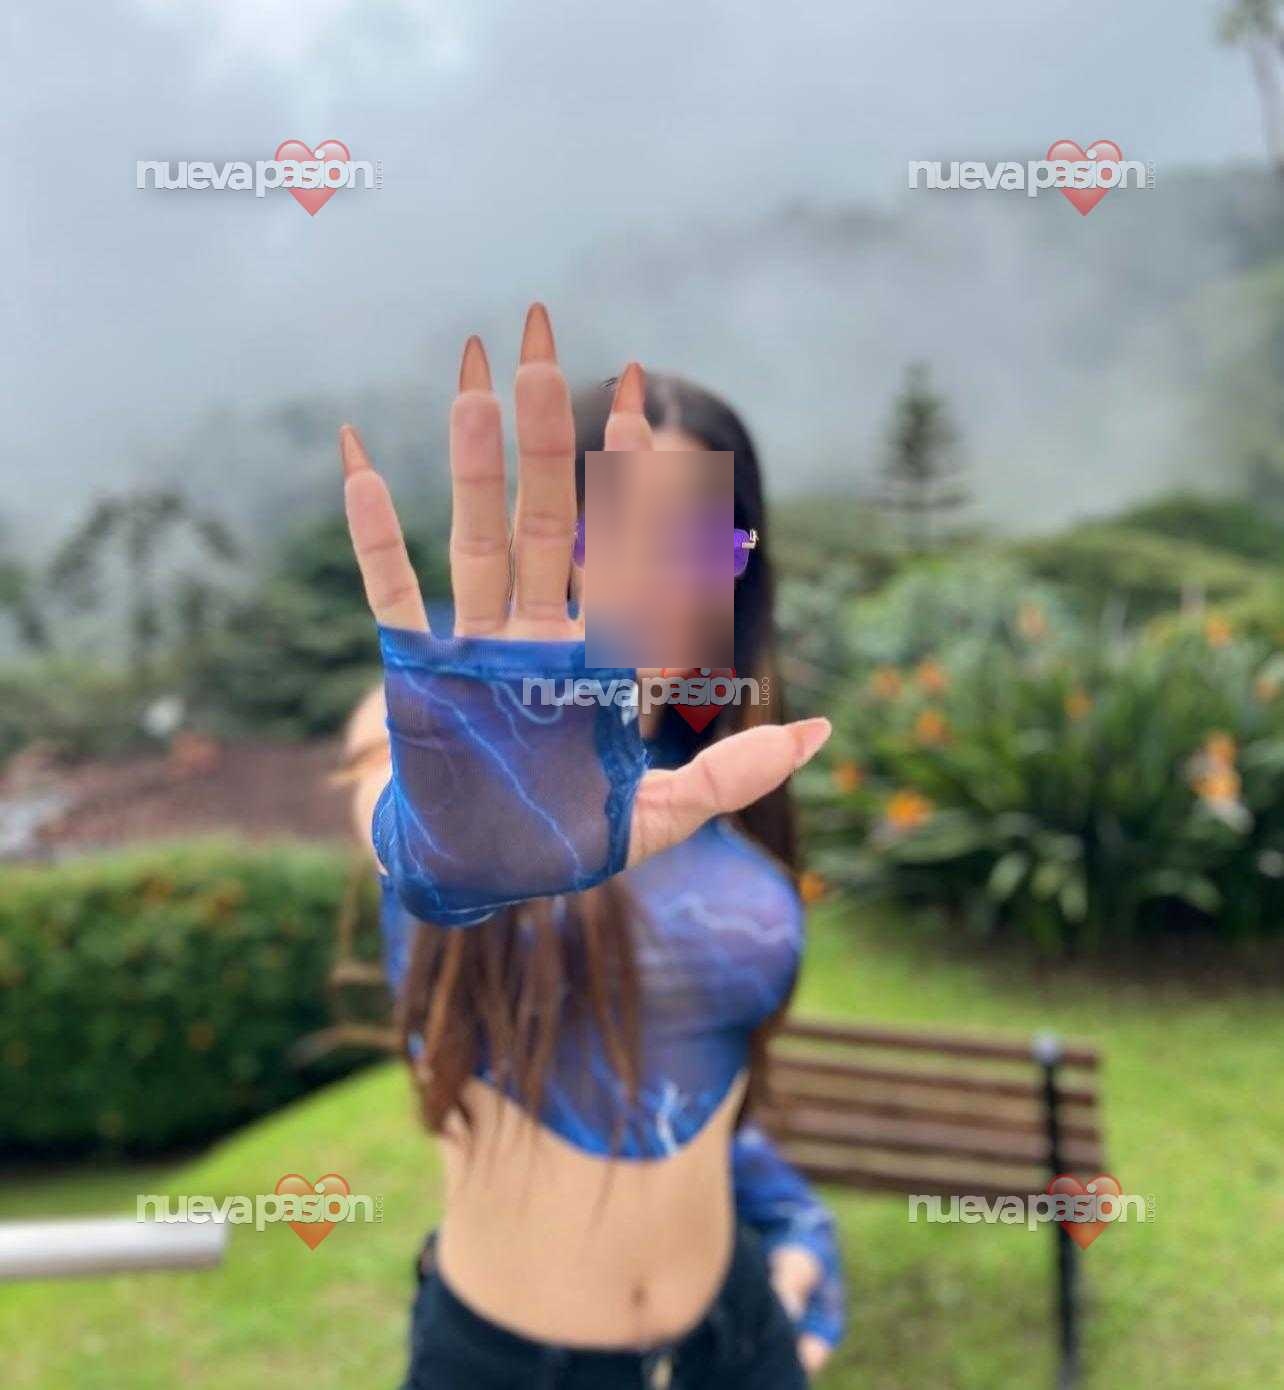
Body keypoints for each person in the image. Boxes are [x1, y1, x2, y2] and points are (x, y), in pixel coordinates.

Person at [341, 303, 844, 1388]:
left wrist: (791, 1218)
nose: (656, 578)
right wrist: (427, 841)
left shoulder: (724, 771)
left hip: (734, 1340)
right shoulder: (447, 743)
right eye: (612, 532)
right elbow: (384, 789)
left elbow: (691, 1071)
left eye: (698, 540)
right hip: (513, 1365)